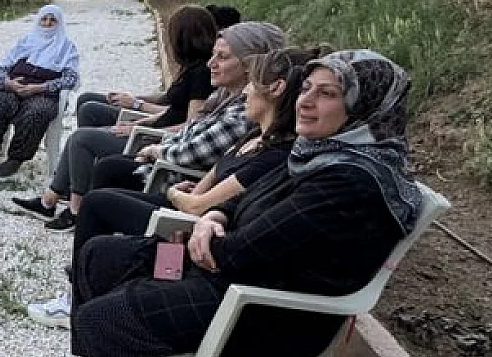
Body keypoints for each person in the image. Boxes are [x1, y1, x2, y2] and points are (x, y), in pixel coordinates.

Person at [32, 50, 422, 357]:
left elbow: (240, 253)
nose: (305, 102)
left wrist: (204, 233)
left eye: (326, 94)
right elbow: (242, 203)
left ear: (364, 107)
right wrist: (213, 217)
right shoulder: (321, 152)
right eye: (306, 88)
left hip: (264, 314)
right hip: (227, 278)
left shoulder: (350, 180)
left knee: (103, 321)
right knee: (100, 256)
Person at [24, 46, 325, 329]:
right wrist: (189, 193)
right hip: (188, 211)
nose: (245, 91)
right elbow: (205, 184)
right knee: (102, 194)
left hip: (191, 228)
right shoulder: (254, 137)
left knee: (98, 204)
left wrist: (175, 193)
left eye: (252, 84)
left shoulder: (272, 155)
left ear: (274, 91)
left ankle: (79, 301)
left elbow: (197, 205)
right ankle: (86, 289)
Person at [12, 21, 285, 231]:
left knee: (85, 140)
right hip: (164, 151)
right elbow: (183, 119)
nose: (212, 62)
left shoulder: (235, 106)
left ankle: (72, 209)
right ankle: (66, 205)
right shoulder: (222, 92)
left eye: (222, 57)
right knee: (89, 112)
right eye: (214, 54)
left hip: (170, 170)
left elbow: (191, 141)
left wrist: (148, 135)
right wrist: (140, 110)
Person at [0, 4, 81, 182]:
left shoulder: (67, 48)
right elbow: (1, 68)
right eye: (44, 19)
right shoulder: (25, 41)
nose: (47, 23)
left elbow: (71, 79)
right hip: (13, 87)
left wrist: (41, 87)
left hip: (43, 93)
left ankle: (15, 159)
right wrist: (8, 83)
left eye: (53, 20)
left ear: (59, 23)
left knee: (37, 112)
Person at [73, 5, 217, 132]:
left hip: (157, 134)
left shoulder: (202, 74)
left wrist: (137, 105)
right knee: (86, 98)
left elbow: (187, 121)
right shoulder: (191, 67)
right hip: (154, 123)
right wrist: (135, 97)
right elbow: (168, 98)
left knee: (88, 113)